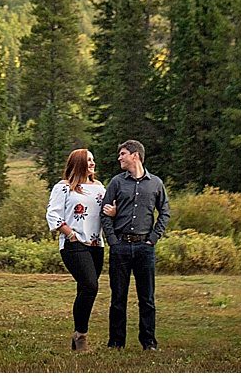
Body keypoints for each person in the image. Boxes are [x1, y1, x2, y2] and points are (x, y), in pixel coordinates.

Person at [100, 139, 170, 351]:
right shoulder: (116, 183)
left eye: (123, 154)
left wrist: (153, 238)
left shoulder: (156, 183)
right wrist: (113, 240)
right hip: (120, 246)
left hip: (144, 248)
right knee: (118, 298)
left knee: (147, 298)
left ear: (135, 155)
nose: (119, 158)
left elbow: (164, 212)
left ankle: (149, 342)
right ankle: (116, 342)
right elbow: (104, 213)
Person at [45, 148, 107, 352]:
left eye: (93, 159)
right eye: (88, 160)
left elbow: (106, 212)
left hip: (96, 245)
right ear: (78, 163)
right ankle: (81, 336)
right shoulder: (63, 187)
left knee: (85, 289)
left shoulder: (99, 188)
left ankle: (77, 335)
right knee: (90, 286)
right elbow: (53, 214)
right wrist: (71, 234)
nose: (93, 163)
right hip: (74, 244)